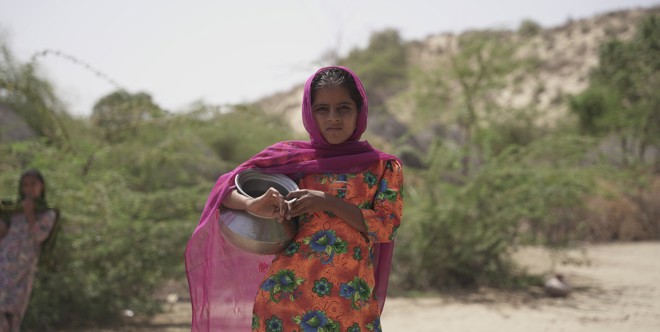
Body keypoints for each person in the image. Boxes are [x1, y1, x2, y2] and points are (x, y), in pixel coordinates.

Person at [185, 66, 403, 331]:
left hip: (351, 302)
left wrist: (327, 202)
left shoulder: (383, 168)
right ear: (310, 113)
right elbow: (224, 190)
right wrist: (252, 204)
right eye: (322, 109)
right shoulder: (291, 158)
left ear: (359, 112)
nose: (333, 117)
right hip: (286, 298)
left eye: (343, 108)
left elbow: (385, 226)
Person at [0, 169, 58, 332]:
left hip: (23, 269)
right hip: (3, 264)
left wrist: (30, 213)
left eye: (33, 184)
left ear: (42, 187)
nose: (29, 189)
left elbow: (39, 236)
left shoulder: (48, 213)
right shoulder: (13, 211)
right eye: (25, 185)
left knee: (13, 311)